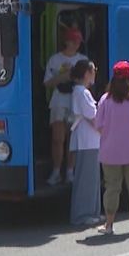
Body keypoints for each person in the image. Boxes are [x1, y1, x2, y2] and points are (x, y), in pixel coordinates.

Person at [96, 61, 129, 236]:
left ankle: (109, 224)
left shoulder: (105, 100)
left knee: (112, 188)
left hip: (110, 152)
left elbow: (99, 125)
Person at [43, 28, 88, 186]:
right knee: (57, 139)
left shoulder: (83, 60)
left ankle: (70, 172)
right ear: (67, 41)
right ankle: (56, 171)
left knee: (72, 139)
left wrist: (75, 78)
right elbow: (47, 83)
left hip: (75, 101)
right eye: (74, 41)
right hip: (59, 101)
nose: (76, 44)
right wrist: (62, 77)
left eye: (78, 42)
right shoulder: (55, 59)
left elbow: (89, 83)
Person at [69, 60, 103, 227]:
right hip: (87, 140)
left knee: (92, 177)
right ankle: (83, 215)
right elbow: (92, 115)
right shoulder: (82, 92)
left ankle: (93, 212)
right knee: (86, 178)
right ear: (87, 73)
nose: (95, 73)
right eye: (93, 70)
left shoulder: (81, 91)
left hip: (89, 140)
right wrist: (105, 131)